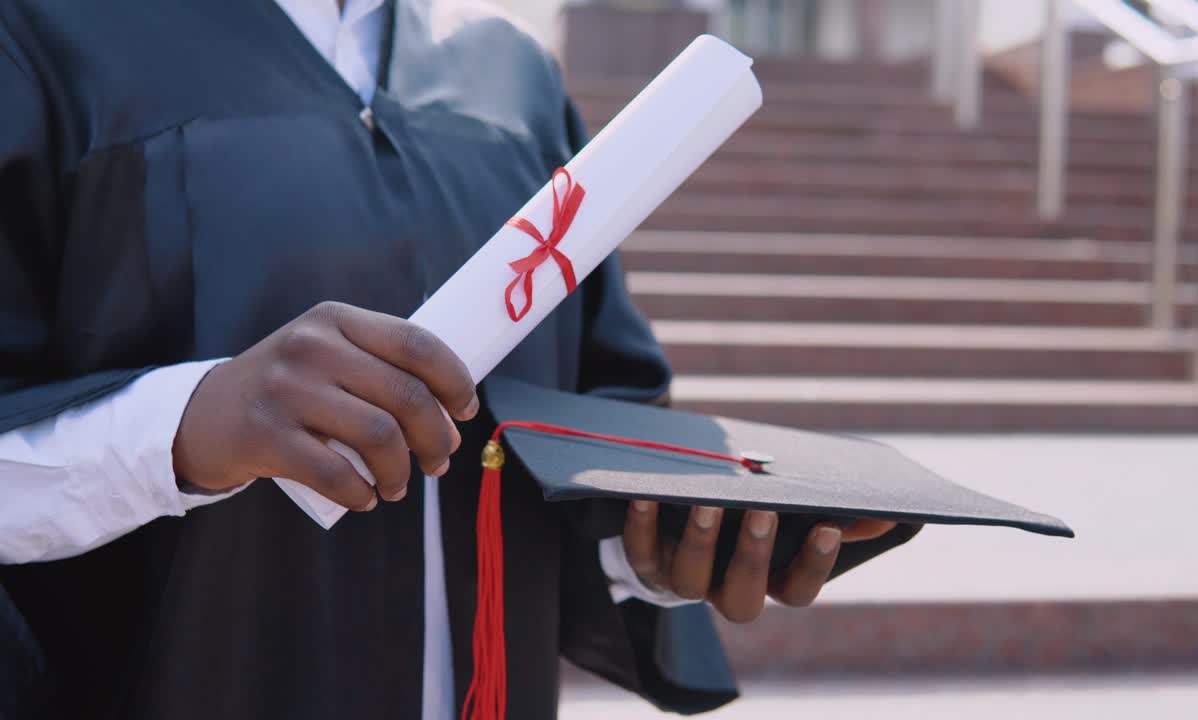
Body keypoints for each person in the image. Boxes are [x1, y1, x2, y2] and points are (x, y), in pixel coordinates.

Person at [0, 1, 914, 718]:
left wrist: (655, 554)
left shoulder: (506, 72)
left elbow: (584, 421)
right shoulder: (46, 34)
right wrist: (184, 426)